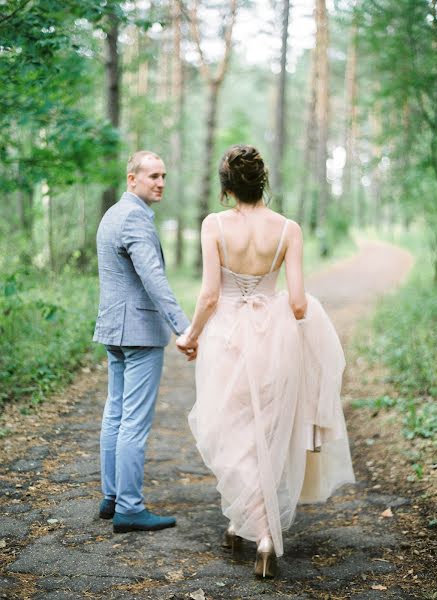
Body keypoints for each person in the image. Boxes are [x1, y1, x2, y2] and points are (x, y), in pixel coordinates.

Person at [176, 144, 355, 578]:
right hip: (274, 339)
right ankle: (250, 527)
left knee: (229, 429)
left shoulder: (214, 225)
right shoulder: (288, 229)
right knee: (265, 431)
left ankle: (260, 532)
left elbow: (210, 294)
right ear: (263, 183)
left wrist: (191, 335)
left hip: (225, 338)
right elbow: (296, 305)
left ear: (226, 189)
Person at [93, 150, 196, 533]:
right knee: (132, 421)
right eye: (153, 175)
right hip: (138, 334)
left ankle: (113, 496)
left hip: (114, 330)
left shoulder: (112, 214)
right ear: (131, 178)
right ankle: (130, 508)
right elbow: (154, 279)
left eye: (164, 175)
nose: (161, 182)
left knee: (116, 414)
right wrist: (183, 328)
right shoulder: (135, 217)